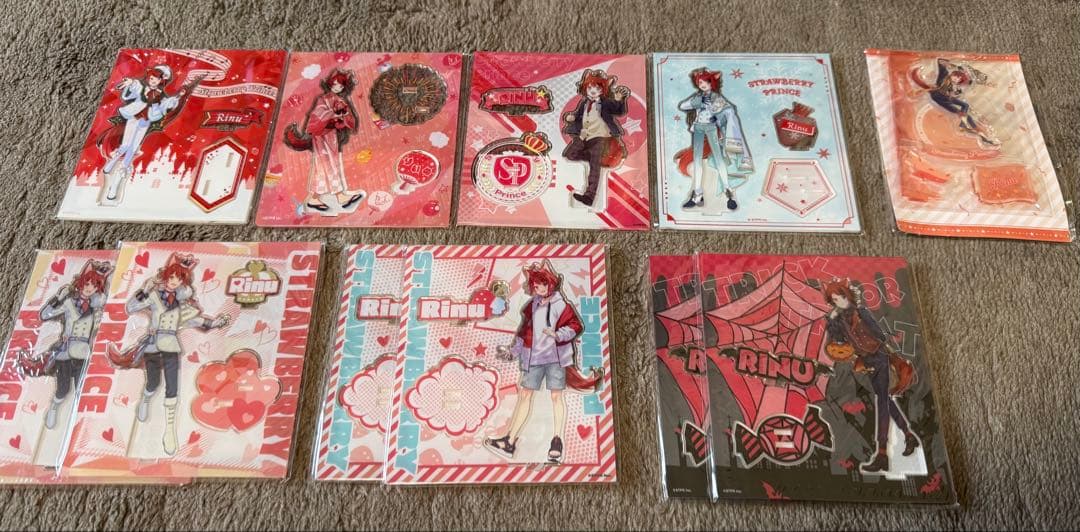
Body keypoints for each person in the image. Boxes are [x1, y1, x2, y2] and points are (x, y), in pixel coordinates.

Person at [106, 253, 229, 455]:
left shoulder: (182, 304)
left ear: (183, 282)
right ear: (165, 276)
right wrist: (144, 290)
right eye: (172, 277)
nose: (174, 281)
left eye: (179, 279)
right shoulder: (154, 296)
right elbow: (131, 307)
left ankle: (170, 430)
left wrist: (214, 323)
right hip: (153, 345)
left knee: (173, 388)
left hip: (171, 345)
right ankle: (146, 399)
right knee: (153, 383)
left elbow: (194, 320)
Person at [484, 261, 602, 464]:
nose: (537, 288)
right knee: (525, 396)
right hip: (534, 359)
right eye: (535, 285)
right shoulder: (533, 306)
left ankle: (557, 441)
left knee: (556, 397)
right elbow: (524, 333)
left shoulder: (561, 305)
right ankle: (509, 441)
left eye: (541, 284)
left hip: (556, 358)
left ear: (550, 284)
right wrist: (512, 352)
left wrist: (558, 334)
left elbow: (575, 326)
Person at [822, 280, 919, 473]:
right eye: (834, 300)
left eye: (840, 297)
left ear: (847, 296)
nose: (839, 302)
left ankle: (882, 454)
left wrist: (861, 326)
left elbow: (880, 335)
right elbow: (838, 341)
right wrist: (831, 320)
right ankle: (909, 436)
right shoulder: (840, 320)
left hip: (880, 357)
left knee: (882, 401)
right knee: (885, 400)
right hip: (866, 362)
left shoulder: (862, 312)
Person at [18, 260, 112, 429]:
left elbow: (104, 299)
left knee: (82, 388)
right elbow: (45, 315)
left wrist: (104, 275)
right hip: (66, 352)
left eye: (94, 285)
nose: (89, 288)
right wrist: (58, 298)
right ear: (81, 283)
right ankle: (54, 407)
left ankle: (79, 419)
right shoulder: (69, 303)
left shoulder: (95, 304)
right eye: (87, 283)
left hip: (83, 352)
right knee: (63, 389)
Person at [283, 69, 366, 215]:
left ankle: (315, 198)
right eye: (335, 84)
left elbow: (348, 118)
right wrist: (333, 114)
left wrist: (343, 116)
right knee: (326, 163)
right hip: (321, 135)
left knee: (325, 164)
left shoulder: (341, 100)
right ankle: (340, 196)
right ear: (330, 84)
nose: (337, 87)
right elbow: (317, 115)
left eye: (341, 86)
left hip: (332, 136)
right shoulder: (323, 99)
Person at [101, 65, 187, 201]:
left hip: (145, 122)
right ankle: (111, 163)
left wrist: (175, 99)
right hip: (134, 118)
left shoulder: (160, 95)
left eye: (156, 79)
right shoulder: (141, 87)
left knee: (133, 149)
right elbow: (133, 87)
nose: (153, 81)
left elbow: (165, 106)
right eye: (152, 78)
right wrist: (130, 83)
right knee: (126, 145)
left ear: (161, 81)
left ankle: (115, 185)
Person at [673, 68, 753, 211]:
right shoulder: (698, 97)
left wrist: (718, 118)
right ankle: (697, 194)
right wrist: (698, 101)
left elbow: (729, 111)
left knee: (718, 158)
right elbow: (683, 106)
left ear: (712, 83)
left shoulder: (717, 97)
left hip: (711, 129)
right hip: (698, 128)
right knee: (697, 160)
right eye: (700, 82)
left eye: (705, 82)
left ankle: (728, 192)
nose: (702, 85)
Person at [561, 69, 630, 208]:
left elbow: (619, 111)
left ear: (603, 90)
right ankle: (597, 158)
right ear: (585, 88)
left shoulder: (606, 103)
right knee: (570, 154)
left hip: (600, 137)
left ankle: (589, 197)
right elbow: (577, 115)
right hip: (584, 136)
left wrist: (619, 100)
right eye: (590, 87)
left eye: (598, 88)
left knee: (594, 167)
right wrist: (570, 118)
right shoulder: (584, 103)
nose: (593, 91)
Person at [910, 58, 999, 146]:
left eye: (959, 79)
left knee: (966, 109)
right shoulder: (944, 79)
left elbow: (957, 90)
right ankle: (965, 126)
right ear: (953, 74)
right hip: (940, 98)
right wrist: (943, 64)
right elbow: (939, 77)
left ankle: (972, 129)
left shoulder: (953, 85)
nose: (957, 79)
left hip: (946, 98)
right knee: (963, 109)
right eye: (957, 77)